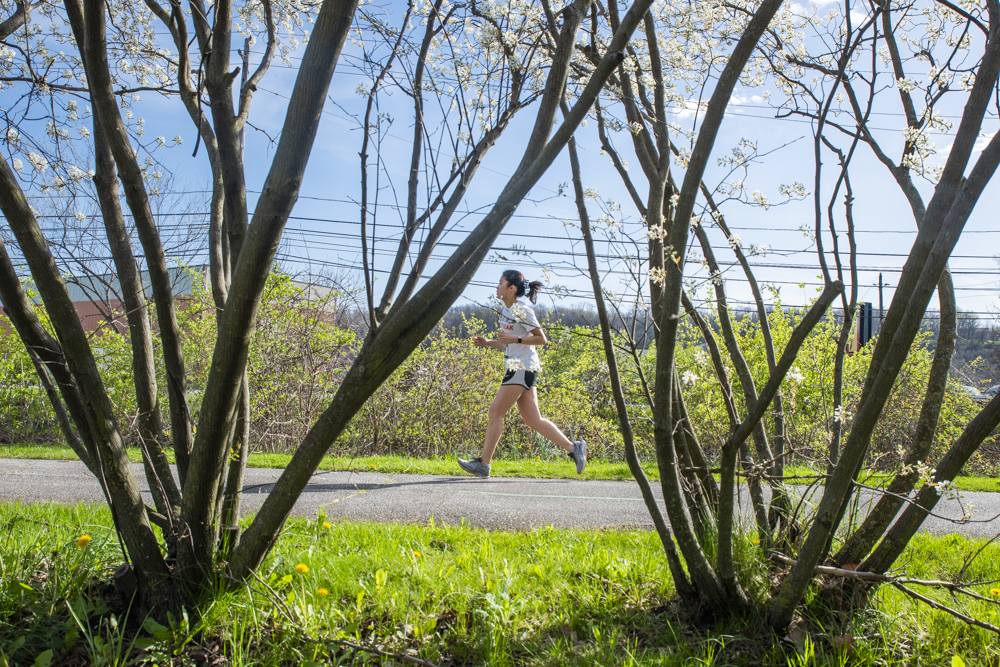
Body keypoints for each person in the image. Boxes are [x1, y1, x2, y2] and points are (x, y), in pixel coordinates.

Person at [457, 270, 586, 479]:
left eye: (500, 283)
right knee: (533, 419)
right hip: (519, 365)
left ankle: (483, 463)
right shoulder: (507, 310)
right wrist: (488, 343)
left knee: (496, 410)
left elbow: (541, 339)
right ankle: (574, 448)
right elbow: (508, 343)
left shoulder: (521, 310)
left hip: (522, 366)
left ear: (511, 288)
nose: (497, 287)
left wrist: (514, 340)